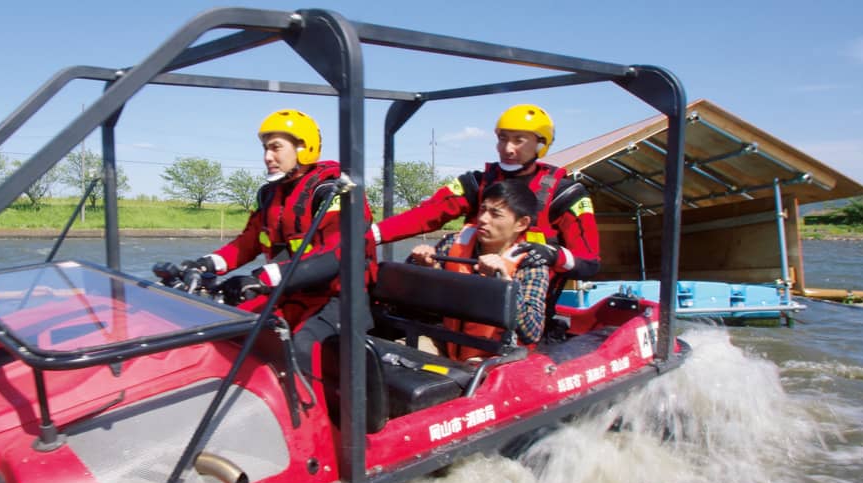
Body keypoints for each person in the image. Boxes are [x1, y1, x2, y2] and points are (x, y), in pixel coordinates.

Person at [168, 109, 376, 377]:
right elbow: (247, 243)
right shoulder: (269, 195)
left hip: (339, 300)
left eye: (276, 148)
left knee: (303, 348)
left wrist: (264, 278)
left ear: (304, 147)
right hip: (286, 293)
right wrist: (206, 264)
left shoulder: (332, 191)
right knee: (226, 326)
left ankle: (313, 417)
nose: (267, 157)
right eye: (265, 149)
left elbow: (336, 254)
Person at [373, 103, 598, 337]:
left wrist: (553, 255)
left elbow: (589, 262)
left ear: (541, 144)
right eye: (502, 139)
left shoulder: (566, 195)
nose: (507, 149)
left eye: (519, 140)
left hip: (519, 323)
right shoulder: (477, 183)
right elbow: (426, 214)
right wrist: (368, 235)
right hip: (459, 311)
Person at [408, 179, 549, 361]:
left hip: (496, 356)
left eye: (495, 214)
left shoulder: (531, 262)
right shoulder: (454, 243)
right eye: (483, 210)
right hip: (449, 343)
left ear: (521, 224)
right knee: (392, 357)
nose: (483, 219)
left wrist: (505, 285)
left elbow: (532, 331)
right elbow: (419, 302)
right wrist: (428, 268)